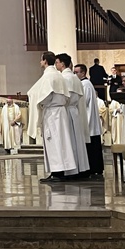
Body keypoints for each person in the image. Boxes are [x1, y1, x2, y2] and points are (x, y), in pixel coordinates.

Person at [27, 51, 76, 183]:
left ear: (45, 61)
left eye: (41, 60)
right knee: (61, 141)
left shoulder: (49, 76)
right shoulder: (58, 76)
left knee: (54, 141)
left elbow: (46, 96)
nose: (39, 62)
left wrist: (39, 102)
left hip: (53, 113)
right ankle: (58, 171)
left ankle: (58, 172)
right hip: (60, 112)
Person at [56, 53, 90, 178]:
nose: (56, 65)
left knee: (69, 141)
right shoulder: (75, 78)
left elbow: (65, 97)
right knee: (76, 141)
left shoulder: (65, 78)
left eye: (57, 62)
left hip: (67, 111)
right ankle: (79, 167)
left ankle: (70, 170)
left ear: (62, 64)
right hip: (74, 111)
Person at [74, 63, 104, 177]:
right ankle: (94, 168)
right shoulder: (84, 83)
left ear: (83, 73)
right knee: (92, 146)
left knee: (92, 147)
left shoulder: (85, 84)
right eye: (74, 72)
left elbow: (83, 101)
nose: (75, 74)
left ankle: (93, 169)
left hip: (88, 120)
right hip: (88, 119)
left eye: (77, 72)